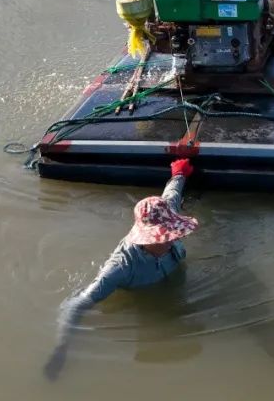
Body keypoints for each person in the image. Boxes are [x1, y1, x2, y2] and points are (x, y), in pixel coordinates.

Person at [44, 159, 198, 380]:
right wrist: (62, 348)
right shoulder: (120, 268)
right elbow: (75, 306)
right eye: (165, 234)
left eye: (173, 231)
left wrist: (179, 174)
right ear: (147, 238)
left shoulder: (167, 214)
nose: (173, 237)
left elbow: (171, 196)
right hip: (143, 301)